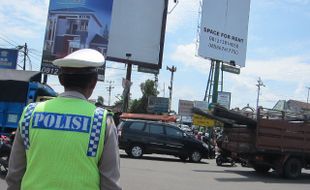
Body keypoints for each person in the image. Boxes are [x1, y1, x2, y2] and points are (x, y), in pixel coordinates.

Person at [6, 49, 122, 190]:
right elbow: (110, 182)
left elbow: (15, 174)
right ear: (94, 82)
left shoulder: (30, 114)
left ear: (61, 79)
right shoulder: (101, 120)